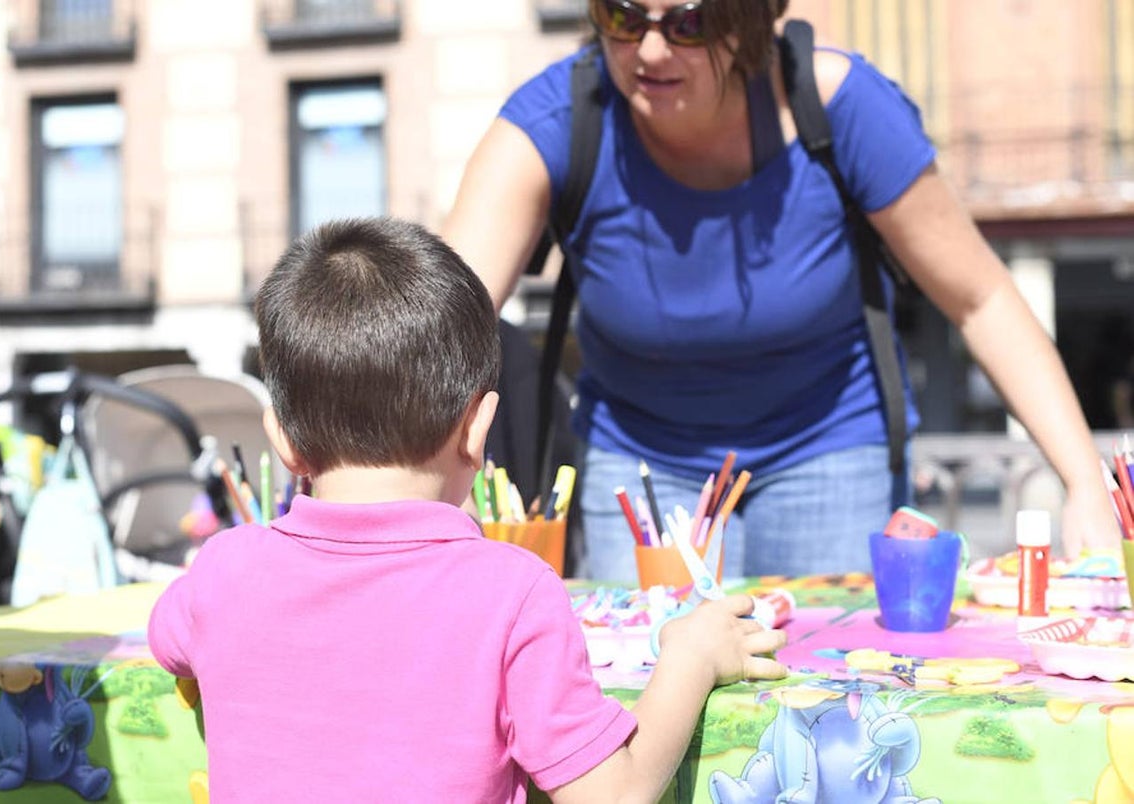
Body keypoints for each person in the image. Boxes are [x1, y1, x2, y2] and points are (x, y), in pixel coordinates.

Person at [441, 0, 1121, 581]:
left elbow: (981, 300)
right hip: (644, 465)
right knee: (651, 697)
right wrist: (434, 489)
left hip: (828, 450)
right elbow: (439, 333)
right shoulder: (555, 121)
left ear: (752, 17)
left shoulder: (839, 107)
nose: (647, 49)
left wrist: (1084, 483)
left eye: (689, 22)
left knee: (826, 704)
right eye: (621, 16)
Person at [147, 217, 787, 802]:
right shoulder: (513, 593)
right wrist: (691, 658)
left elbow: (171, 642)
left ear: (280, 440)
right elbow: (612, 795)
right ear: (478, 428)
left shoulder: (224, 568)